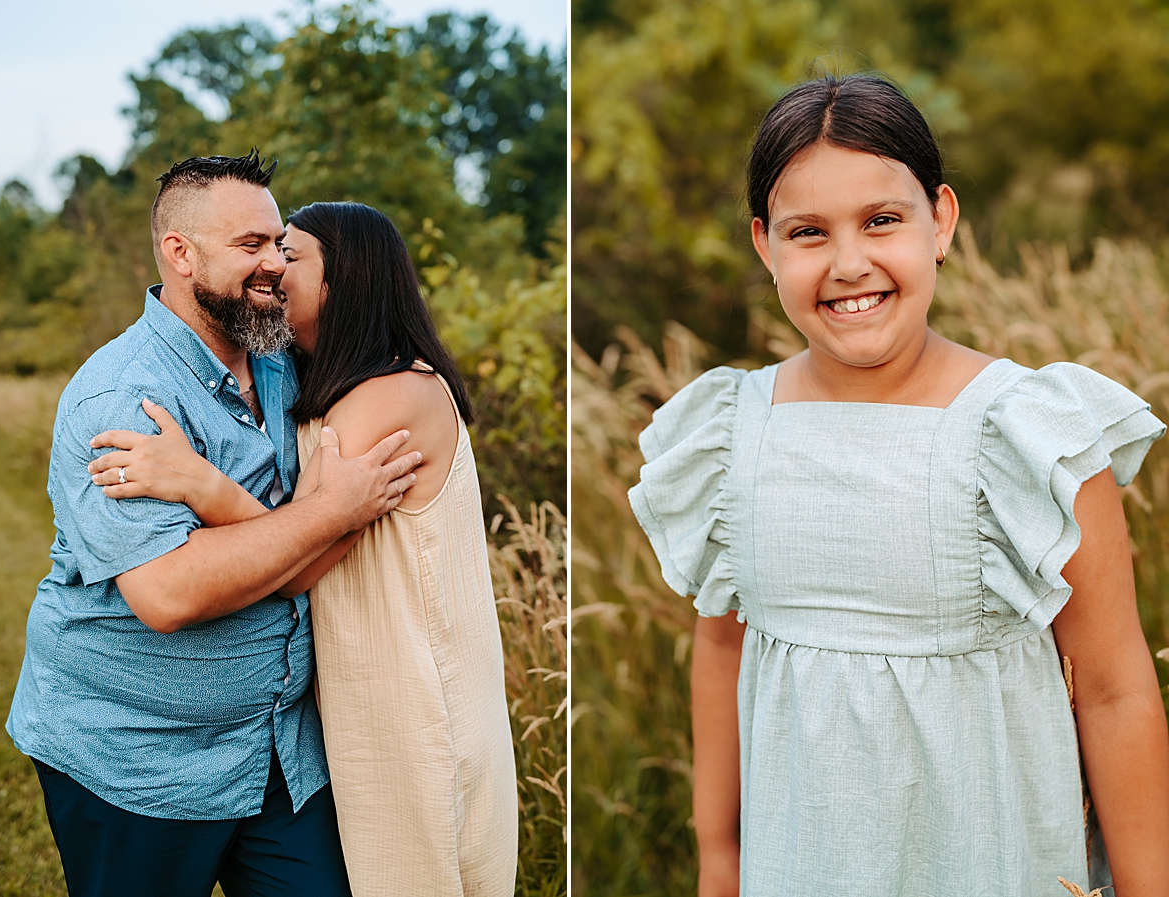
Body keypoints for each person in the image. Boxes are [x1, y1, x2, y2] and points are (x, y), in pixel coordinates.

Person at [627, 75, 1169, 896]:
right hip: (800, 865)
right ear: (764, 245)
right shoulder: (730, 432)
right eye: (808, 231)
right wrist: (719, 860)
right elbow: (723, 642)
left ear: (941, 220)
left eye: (882, 220)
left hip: (994, 859)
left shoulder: (1031, 432)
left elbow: (1114, 688)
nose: (850, 264)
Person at [6, 151, 422, 897]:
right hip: (135, 760)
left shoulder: (282, 362)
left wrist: (217, 492)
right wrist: (330, 511)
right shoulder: (123, 401)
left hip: (279, 750)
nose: (274, 265)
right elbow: (169, 594)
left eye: (279, 244)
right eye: (250, 247)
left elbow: (305, 554)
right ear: (180, 253)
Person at [85, 201, 519, 896]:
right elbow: (311, 525)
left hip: (415, 705)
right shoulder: (340, 385)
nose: (276, 268)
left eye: (293, 253)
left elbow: (298, 560)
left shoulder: (386, 399)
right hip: (369, 699)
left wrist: (198, 480)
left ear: (345, 280)